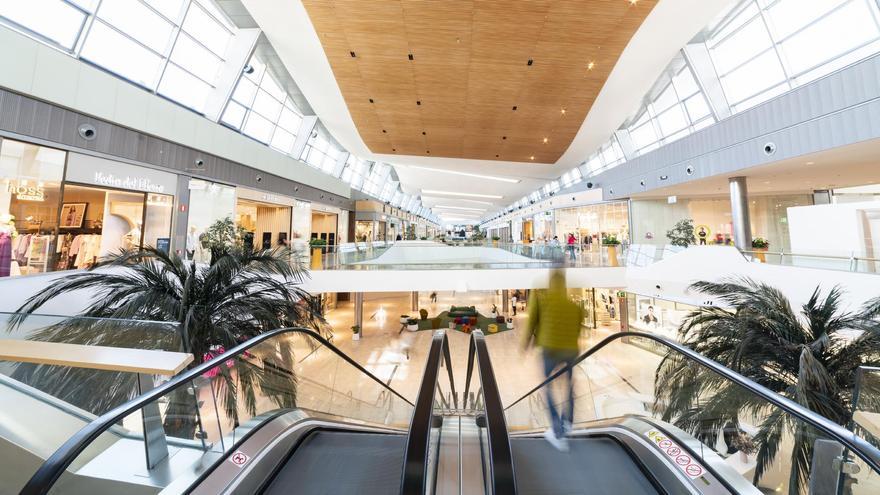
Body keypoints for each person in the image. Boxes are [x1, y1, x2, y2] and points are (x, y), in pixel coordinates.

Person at [522, 270, 584, 451]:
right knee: (569, 387)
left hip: (549, 349)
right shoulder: (573, 305)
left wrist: (524, 345)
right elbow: (578, 326)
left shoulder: (542, 297)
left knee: (548, 387)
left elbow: (532, 319)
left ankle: (557, 430)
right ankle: (568, 422)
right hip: (570, 350)